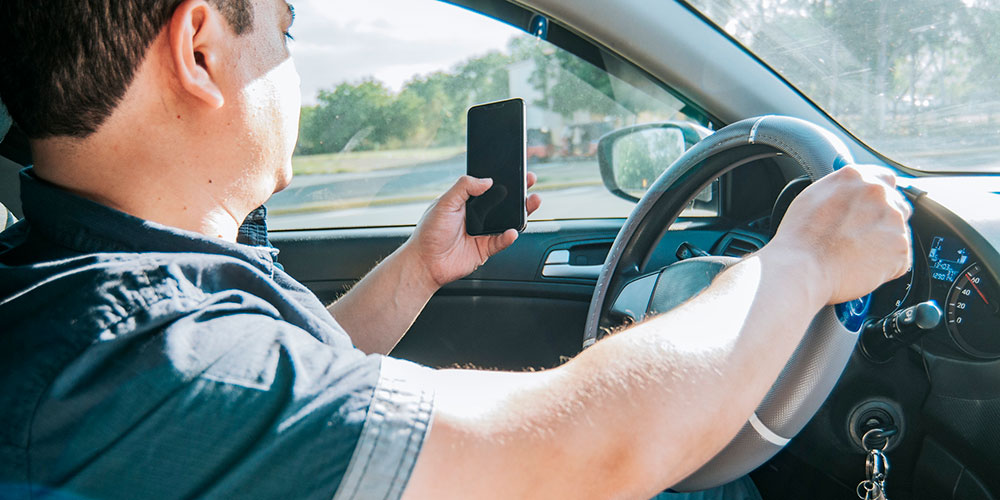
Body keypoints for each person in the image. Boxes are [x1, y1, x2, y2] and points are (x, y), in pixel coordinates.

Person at [0, 0, 912, 499]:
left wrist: (419, 269)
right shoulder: (147, 364)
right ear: (200, 48)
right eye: (284, 31)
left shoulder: (79, 287)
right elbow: (588, 455)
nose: (294, 63)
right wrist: (801, 263)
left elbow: (291, 377)